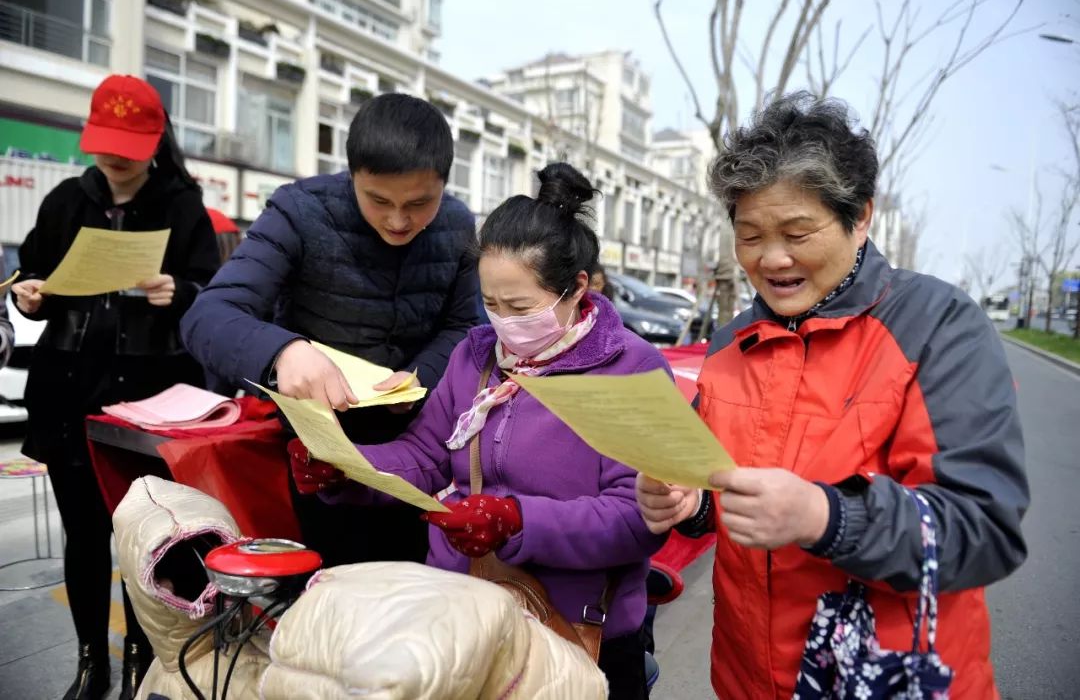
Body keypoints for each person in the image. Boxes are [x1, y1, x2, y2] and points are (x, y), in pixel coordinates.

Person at [635, 93, 1028, 699]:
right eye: (750, 236)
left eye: (797, 232)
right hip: (745, 676)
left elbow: (985, 529)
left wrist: (825, 517)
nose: (771, 258)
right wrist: (690, 504)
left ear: (861, 215)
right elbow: (721, 491)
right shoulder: (729, 344)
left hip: (882, 679)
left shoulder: (937, 327)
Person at [290, 162, 668, 699]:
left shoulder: (631, 369)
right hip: (461, 619)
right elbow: (424, 454)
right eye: (491, 304)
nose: (503, 323)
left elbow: (639, 517)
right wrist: (347, 467)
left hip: (578, 632)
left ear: (577, 287)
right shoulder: (477, 357)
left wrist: (516, 521)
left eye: (520, 306)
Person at [180, 93, 479, 567]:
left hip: (419, 451)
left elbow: (466, 325)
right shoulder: (299, 212)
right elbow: (209, 315)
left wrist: (421, 375)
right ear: (352, 174)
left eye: (420, 203)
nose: (399, 220)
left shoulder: (458, 226)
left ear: (444, 182)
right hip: (319, 453)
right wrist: (283, 352)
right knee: (331, 592)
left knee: (413, 593)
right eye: (378, 200)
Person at [11, 74, 220, 700]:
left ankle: (139, 659)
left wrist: (178, 293)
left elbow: (212, 294)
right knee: (84, 534)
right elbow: (34, 272)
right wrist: (31, 292)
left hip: (149, 396)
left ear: (156, 140)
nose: (114, 158)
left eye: (129, 145)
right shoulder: (65, 200)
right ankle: (89, 662)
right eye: (105, 143)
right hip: (71, 388)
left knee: (146, 535)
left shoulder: (183, 205)